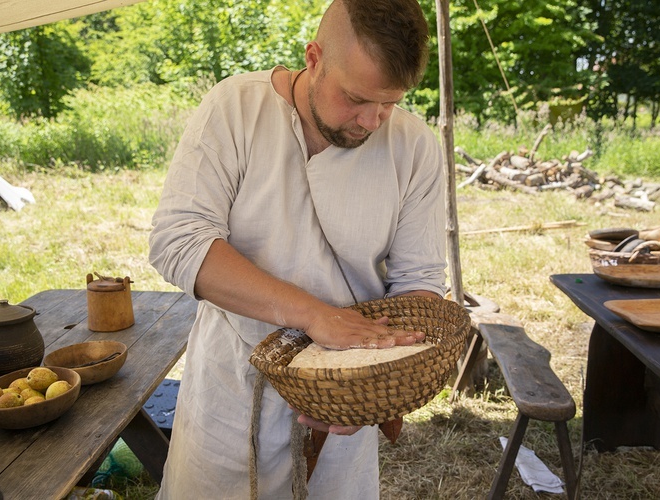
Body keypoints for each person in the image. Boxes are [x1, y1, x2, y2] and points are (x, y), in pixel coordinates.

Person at [149, 0, 446, 497]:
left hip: (350, 388)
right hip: (231, 389)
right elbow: (179, 240)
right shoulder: (235, 109)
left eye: (390, 102)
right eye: (355, 97)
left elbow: (420, 282)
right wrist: (314, 315)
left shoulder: (414, 146)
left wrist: (368, 394)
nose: (373, 120)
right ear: (313, 57)